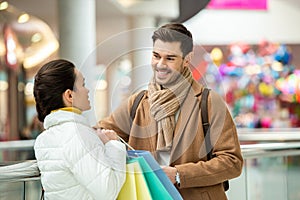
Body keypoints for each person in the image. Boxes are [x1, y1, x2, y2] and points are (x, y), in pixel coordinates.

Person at [96, 23, 243, 199]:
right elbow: (98, 133)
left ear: (187, 60)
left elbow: (232, 162)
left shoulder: (210, 102)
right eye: (156, 56)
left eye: (170, 58)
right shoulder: (137, 102)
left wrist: (180, 175)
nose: (160, 64)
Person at [33, 59, 126, 200]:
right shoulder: (78, 135)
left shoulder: (43, 139)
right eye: (82, 84)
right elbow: (108, 190)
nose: (87, 90)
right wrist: (113, 144)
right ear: (70, 95)